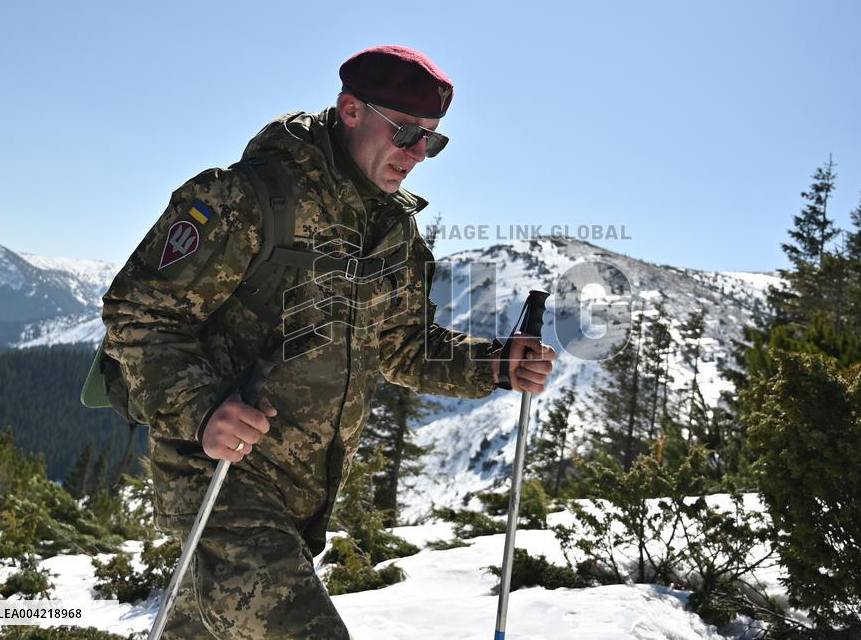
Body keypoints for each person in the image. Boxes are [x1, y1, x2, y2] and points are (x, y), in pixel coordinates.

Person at [101, 45, 557, 639]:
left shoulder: (393, 230)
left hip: (302, 500)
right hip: (221, 482)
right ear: (350, 111)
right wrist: (203, 408)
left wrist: (495, 364)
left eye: (432, 140)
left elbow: (403, 346)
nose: (418, 154)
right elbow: (138, 313)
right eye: (406, 132)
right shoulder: (247, 198)